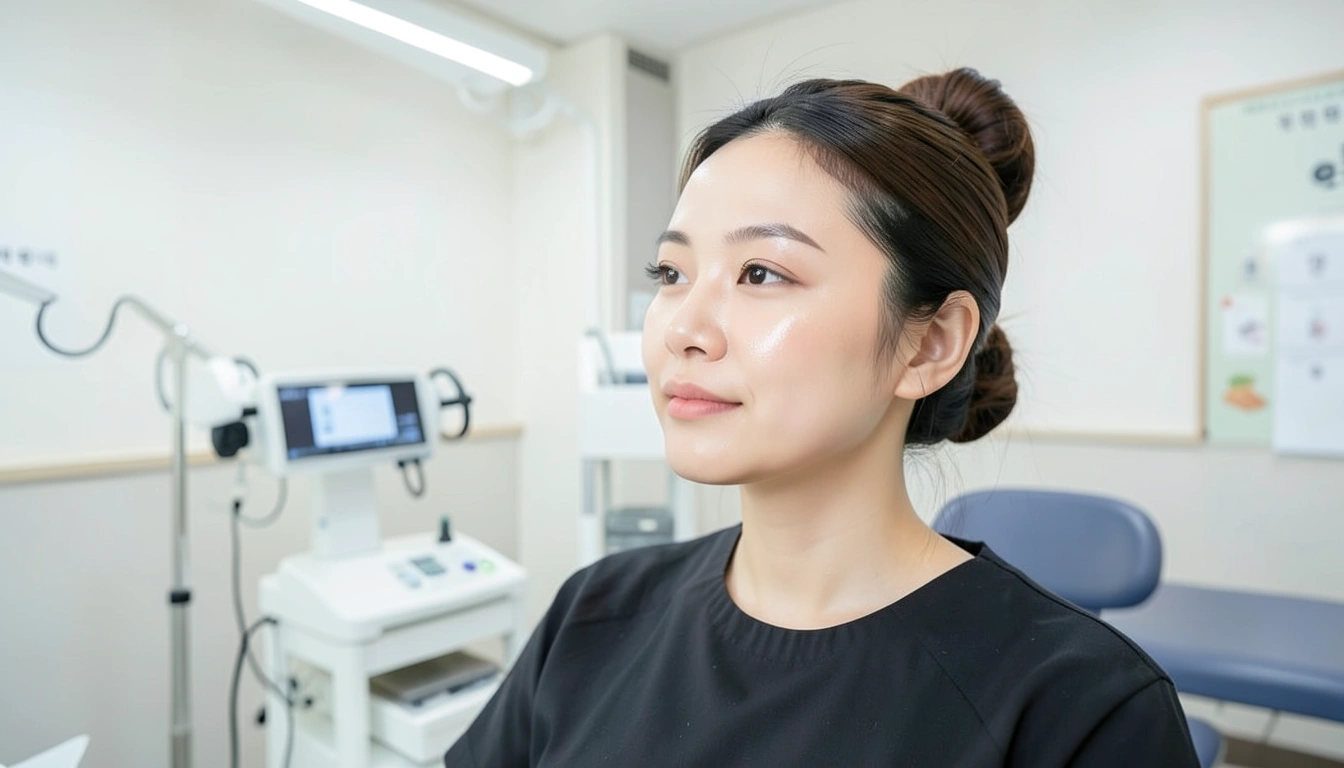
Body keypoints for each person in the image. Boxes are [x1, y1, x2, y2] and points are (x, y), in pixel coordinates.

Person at [445, 67, 1200, 766]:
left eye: (762, 273)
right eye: (671, 273)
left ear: (929, 345)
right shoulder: (594, 613)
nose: (682, 327)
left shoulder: (1083, 712)